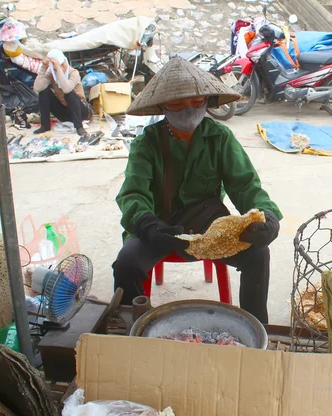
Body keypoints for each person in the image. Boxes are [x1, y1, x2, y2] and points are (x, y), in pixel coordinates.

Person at [113, 57, 282, 324]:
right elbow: (133, 194)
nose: (187, 110)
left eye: (195, 102)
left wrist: (268, 216)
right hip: (158, 222)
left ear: (206, 102)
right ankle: (130, 329)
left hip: (208, 220)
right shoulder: (147, 143)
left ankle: (255, 326)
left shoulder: (220, 137)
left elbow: (245, 185)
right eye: (176, 104)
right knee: (126, 265)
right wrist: (147, 225)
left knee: (258, 254)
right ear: (162, 107)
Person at [33, 49, 91, 137]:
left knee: (69, 93)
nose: (62, 67)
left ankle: (79, 127)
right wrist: (43, 68)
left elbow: (66, 89)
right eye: (59, 66)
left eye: (62, 64)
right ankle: (45, 126)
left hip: (80, 112)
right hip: (64, 112)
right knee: (44, 91)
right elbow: (37, 88)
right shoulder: (52, 73)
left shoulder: (73, 73)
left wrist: (59, 69)